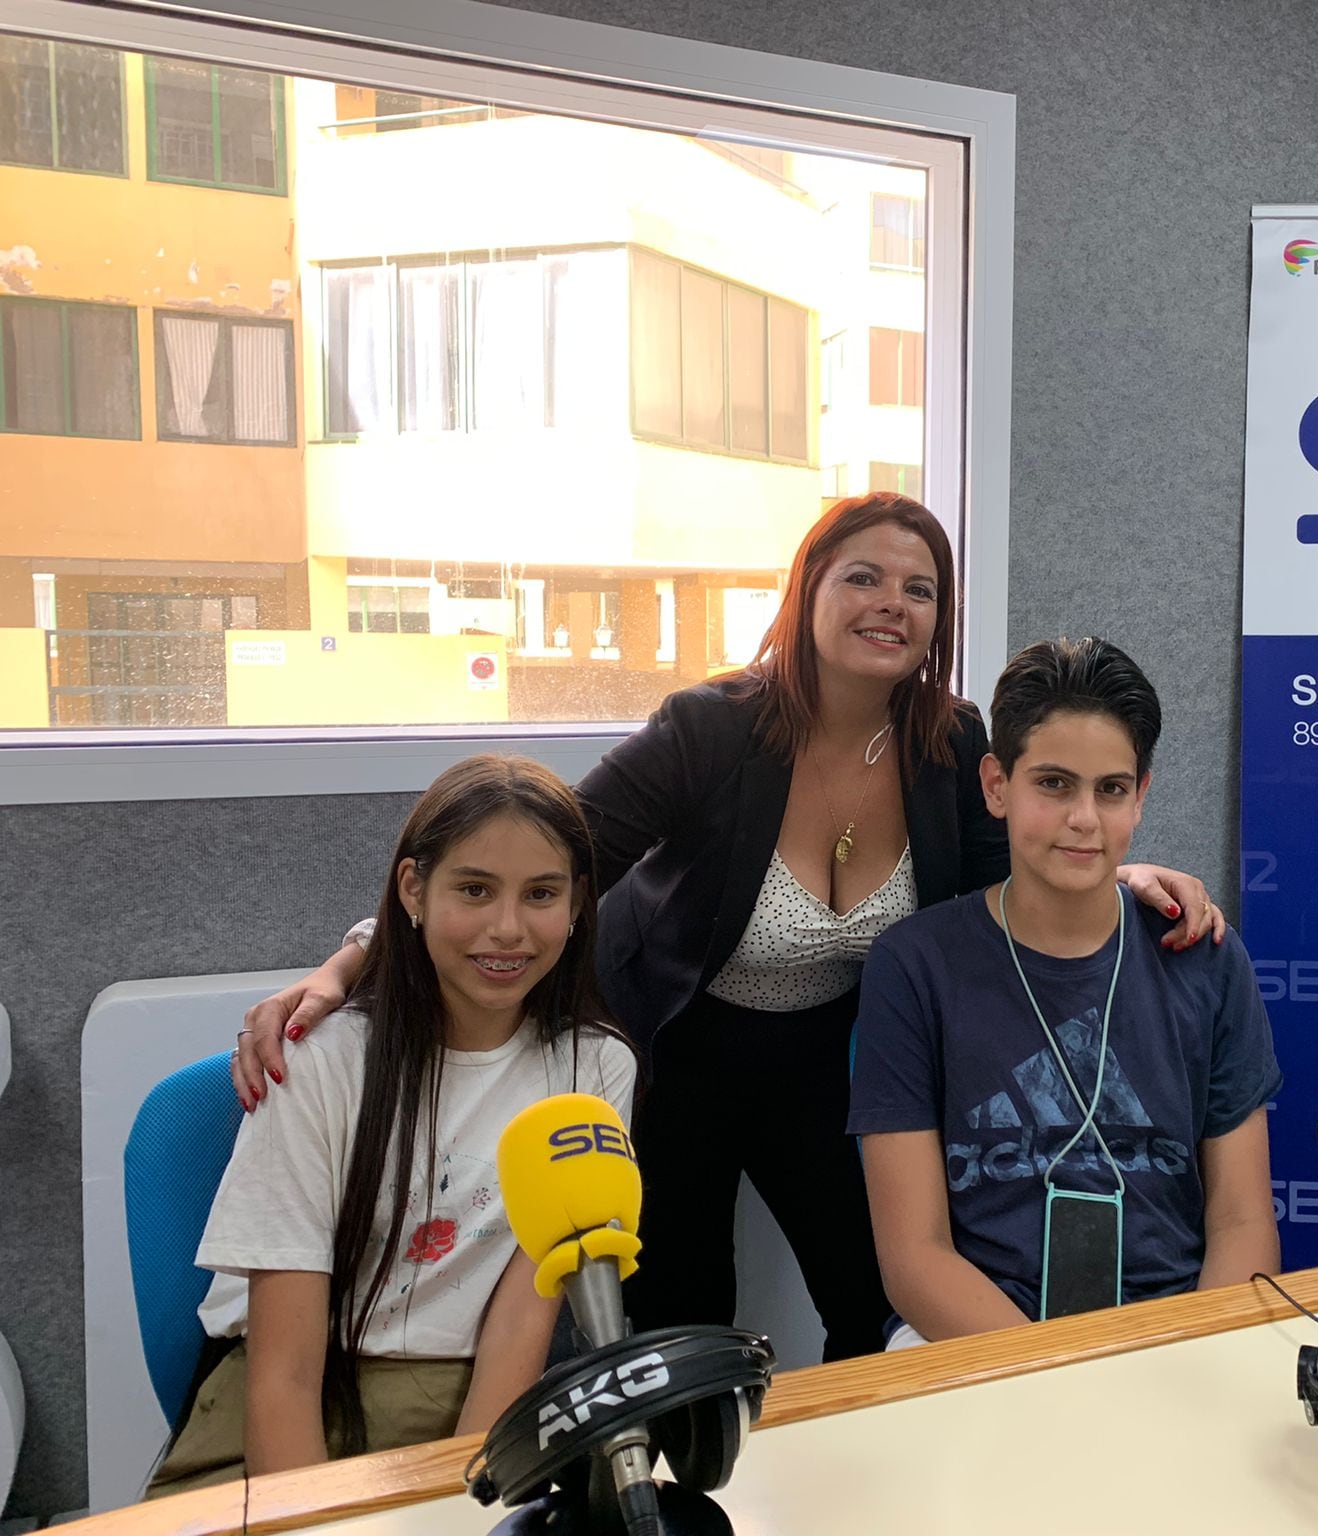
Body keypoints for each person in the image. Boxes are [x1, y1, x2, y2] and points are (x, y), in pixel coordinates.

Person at [230, 494, 1223, 1361]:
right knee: (679, 1311)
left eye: (917, 589)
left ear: (937, 617)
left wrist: (1122, 868)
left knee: (873, 1296)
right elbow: (548, 857)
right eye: (862, 577)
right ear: (809, 590)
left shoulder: (949, 742)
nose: (890, 603)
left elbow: (1021, 864)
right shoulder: (711, 729)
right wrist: (358, 956)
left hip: (831, 1053)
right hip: (676, 1047)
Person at [148, 756, 636, 1496]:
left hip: (473, 1401)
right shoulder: (317, 1064)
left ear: (577, 905)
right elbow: (281, 1377)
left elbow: (519, 1327)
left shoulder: (595, 1071)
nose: (507, 929)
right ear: (414, 889)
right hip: (302, 1402)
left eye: (541, 894)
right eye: (474, 889)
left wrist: (471, 1503)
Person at [850, 638, 1281, 1345]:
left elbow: (1241, 1222)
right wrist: (1060, 1380)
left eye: (1110, 789)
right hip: (976, 1338)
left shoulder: (1202, 957)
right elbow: (914, 1257)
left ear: (1140, 796)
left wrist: (1193, 1356)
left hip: (1172, 1336)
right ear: (997, 786)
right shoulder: (915, 965)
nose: (1084, 817)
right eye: (1053, 784)